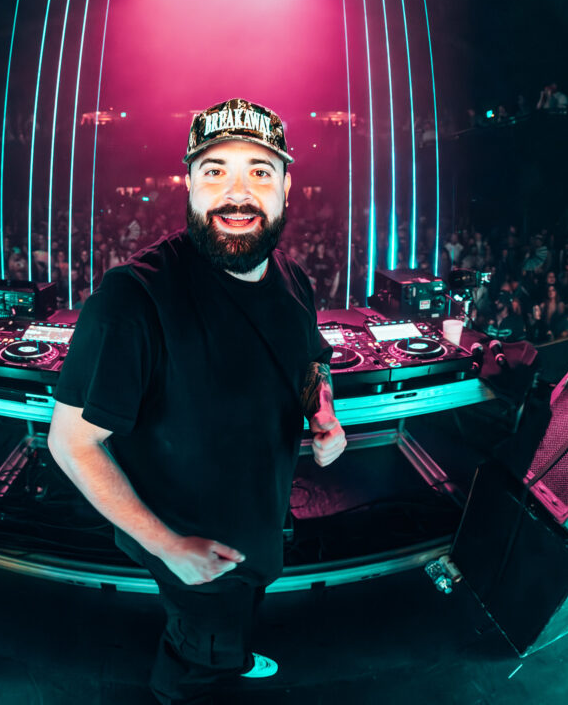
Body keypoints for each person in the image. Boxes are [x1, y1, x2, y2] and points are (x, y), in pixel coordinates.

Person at [48, 98, 347, 705]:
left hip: (261, 521)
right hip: (194, 547)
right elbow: (72, 442)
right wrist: (169, 548)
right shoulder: (132, 296)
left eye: (260, 172)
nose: (238, 192)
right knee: (195, 662)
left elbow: (308, 357)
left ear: (288, 186)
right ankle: (207, 670)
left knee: (234, 622)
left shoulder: (294, 278)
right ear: (189, 183)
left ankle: (231, 655)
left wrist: (325, 415)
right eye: (216, 171)